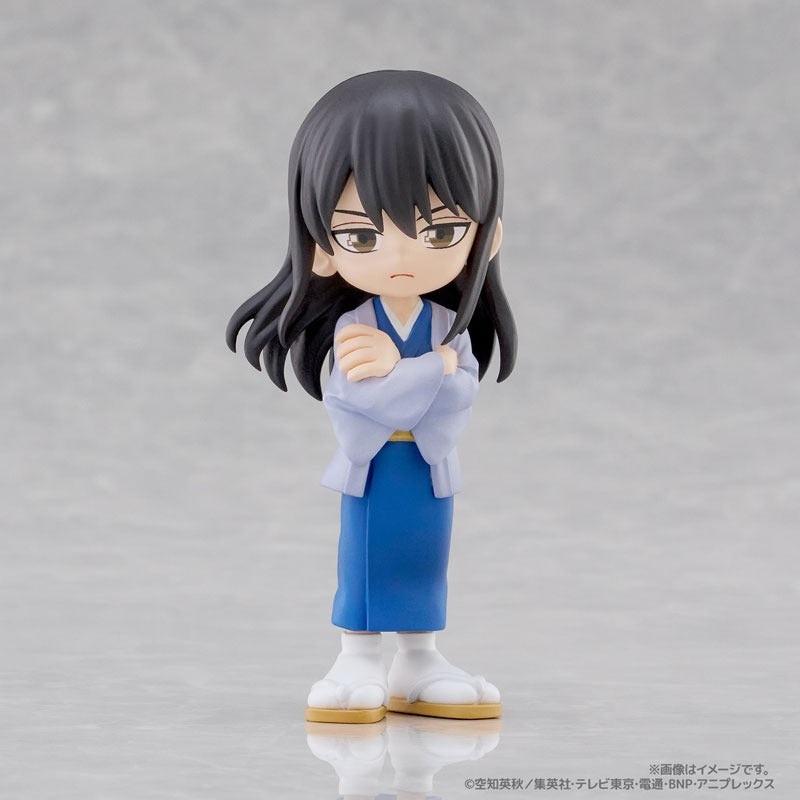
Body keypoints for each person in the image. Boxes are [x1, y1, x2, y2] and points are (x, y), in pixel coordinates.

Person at [227, 70, 517, 723]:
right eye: (362, 235)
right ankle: (356, 659)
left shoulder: (447, 326)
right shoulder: (356, 328)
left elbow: (458, 395)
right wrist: (433, 369)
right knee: (365, 557)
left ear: (487, 237)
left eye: (439, 231)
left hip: (430, 464)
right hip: (374, 465)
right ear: (321, 249)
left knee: (425, 556)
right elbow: (372, 405)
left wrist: (418, 371)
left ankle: (419, 661)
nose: (401, 254)